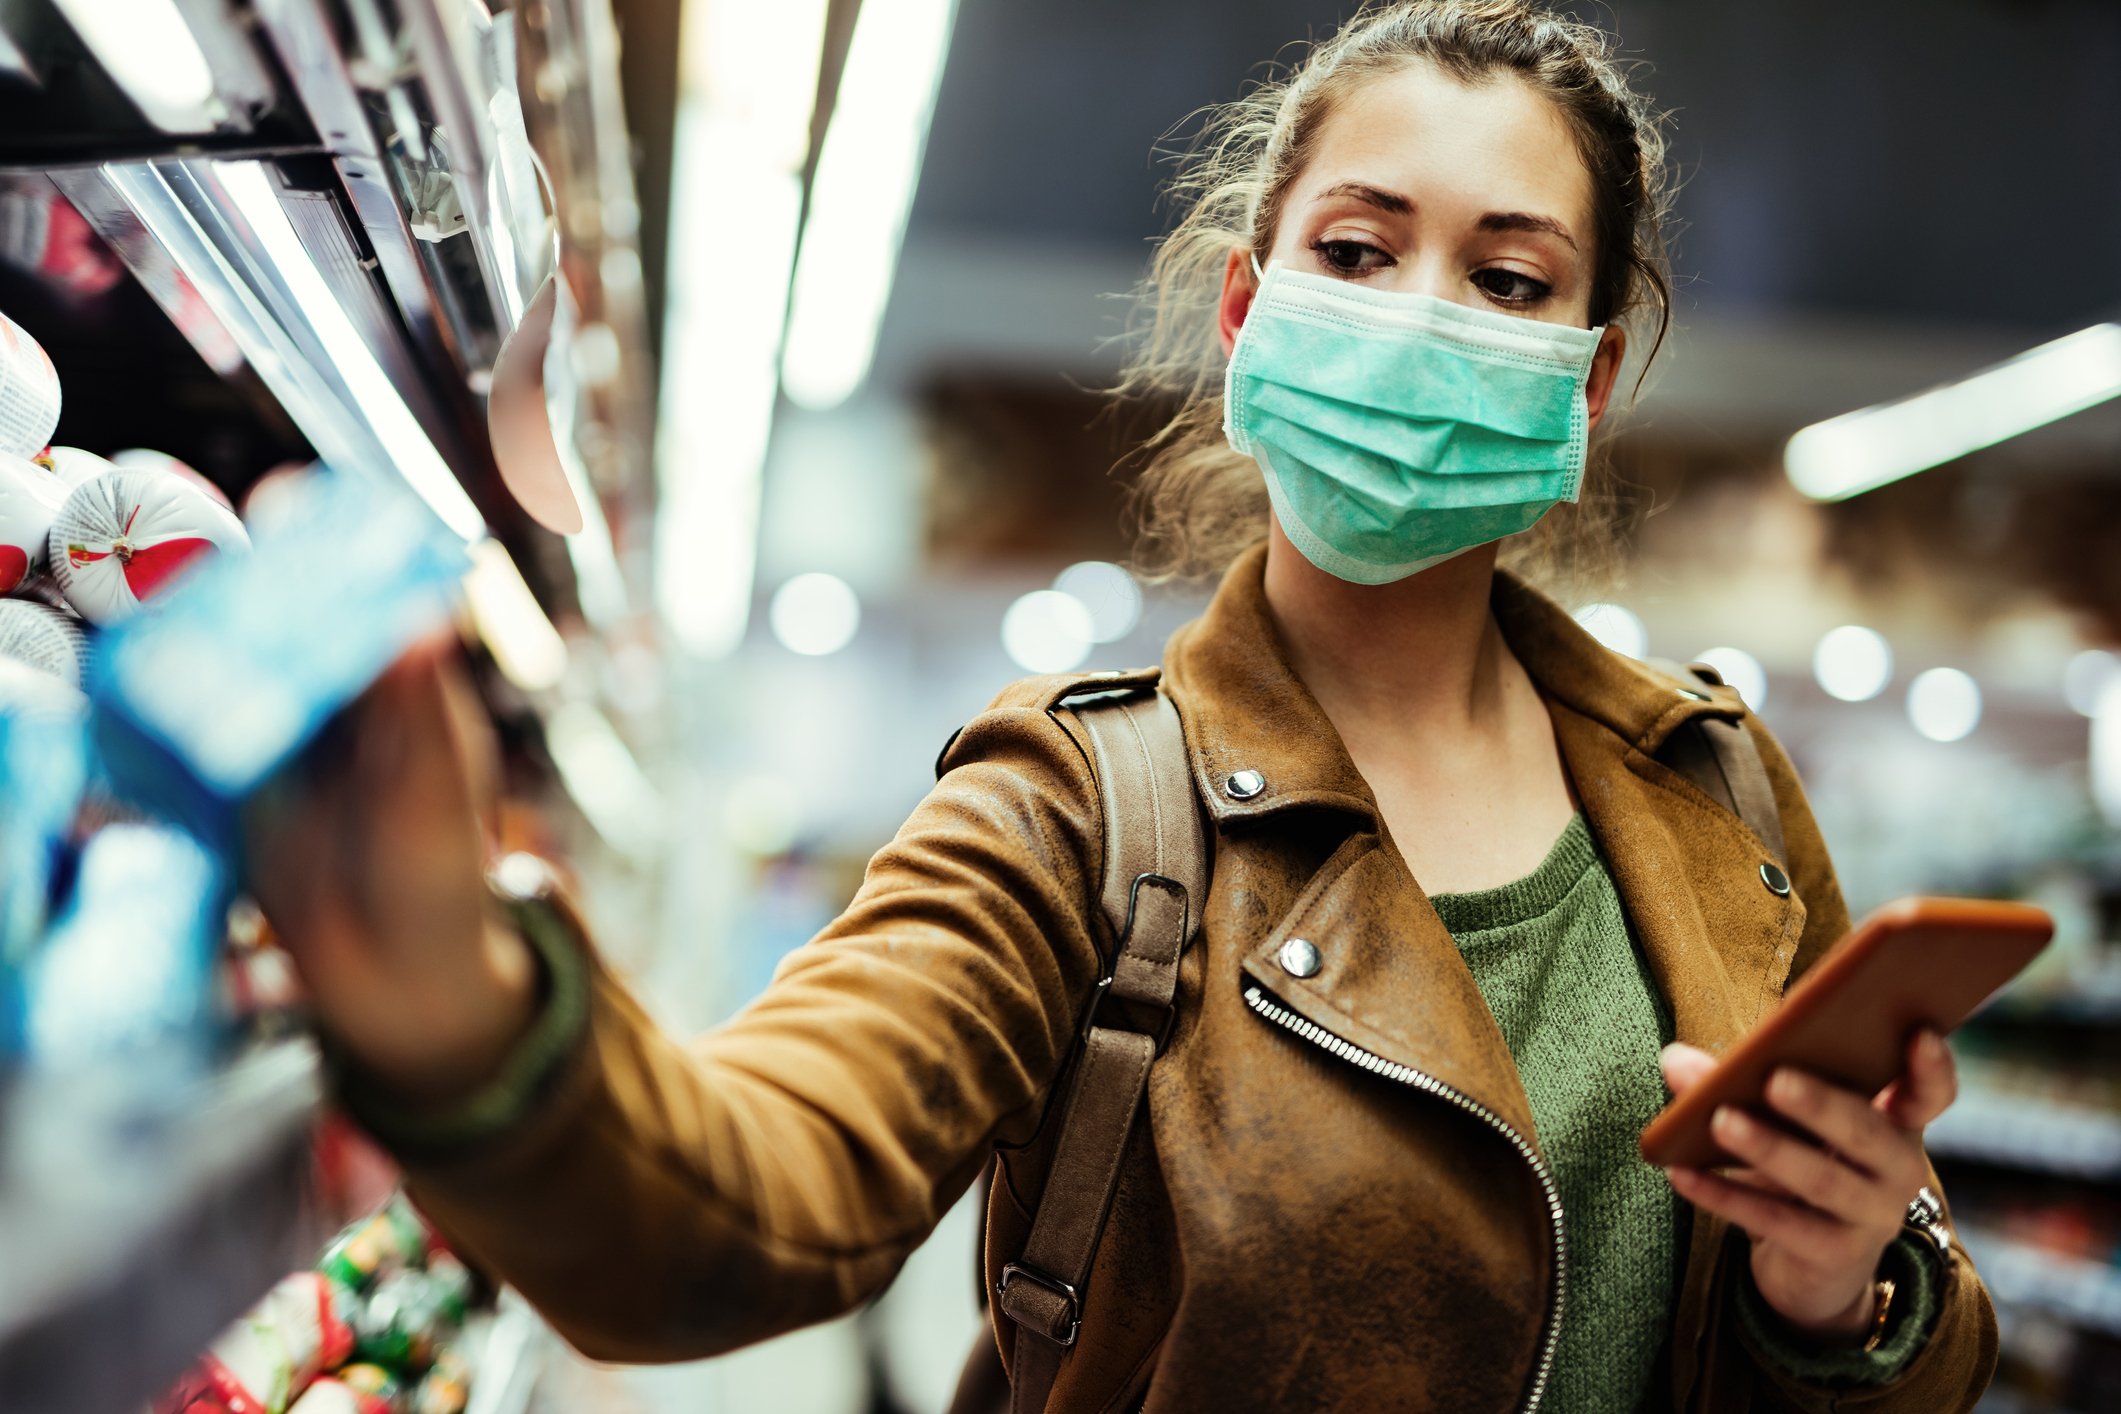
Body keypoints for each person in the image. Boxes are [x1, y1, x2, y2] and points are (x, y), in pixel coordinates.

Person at [247, 3, 1998, 1410]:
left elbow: (1902, 1330)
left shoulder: (1718, 792)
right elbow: (760, 1193)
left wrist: (1837, 1294)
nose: (1419, 319)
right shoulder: (1083, 805)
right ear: (1247, 315)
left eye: (1510, 280)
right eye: (1360, 246)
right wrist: (472, 1020)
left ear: (1591, 380)